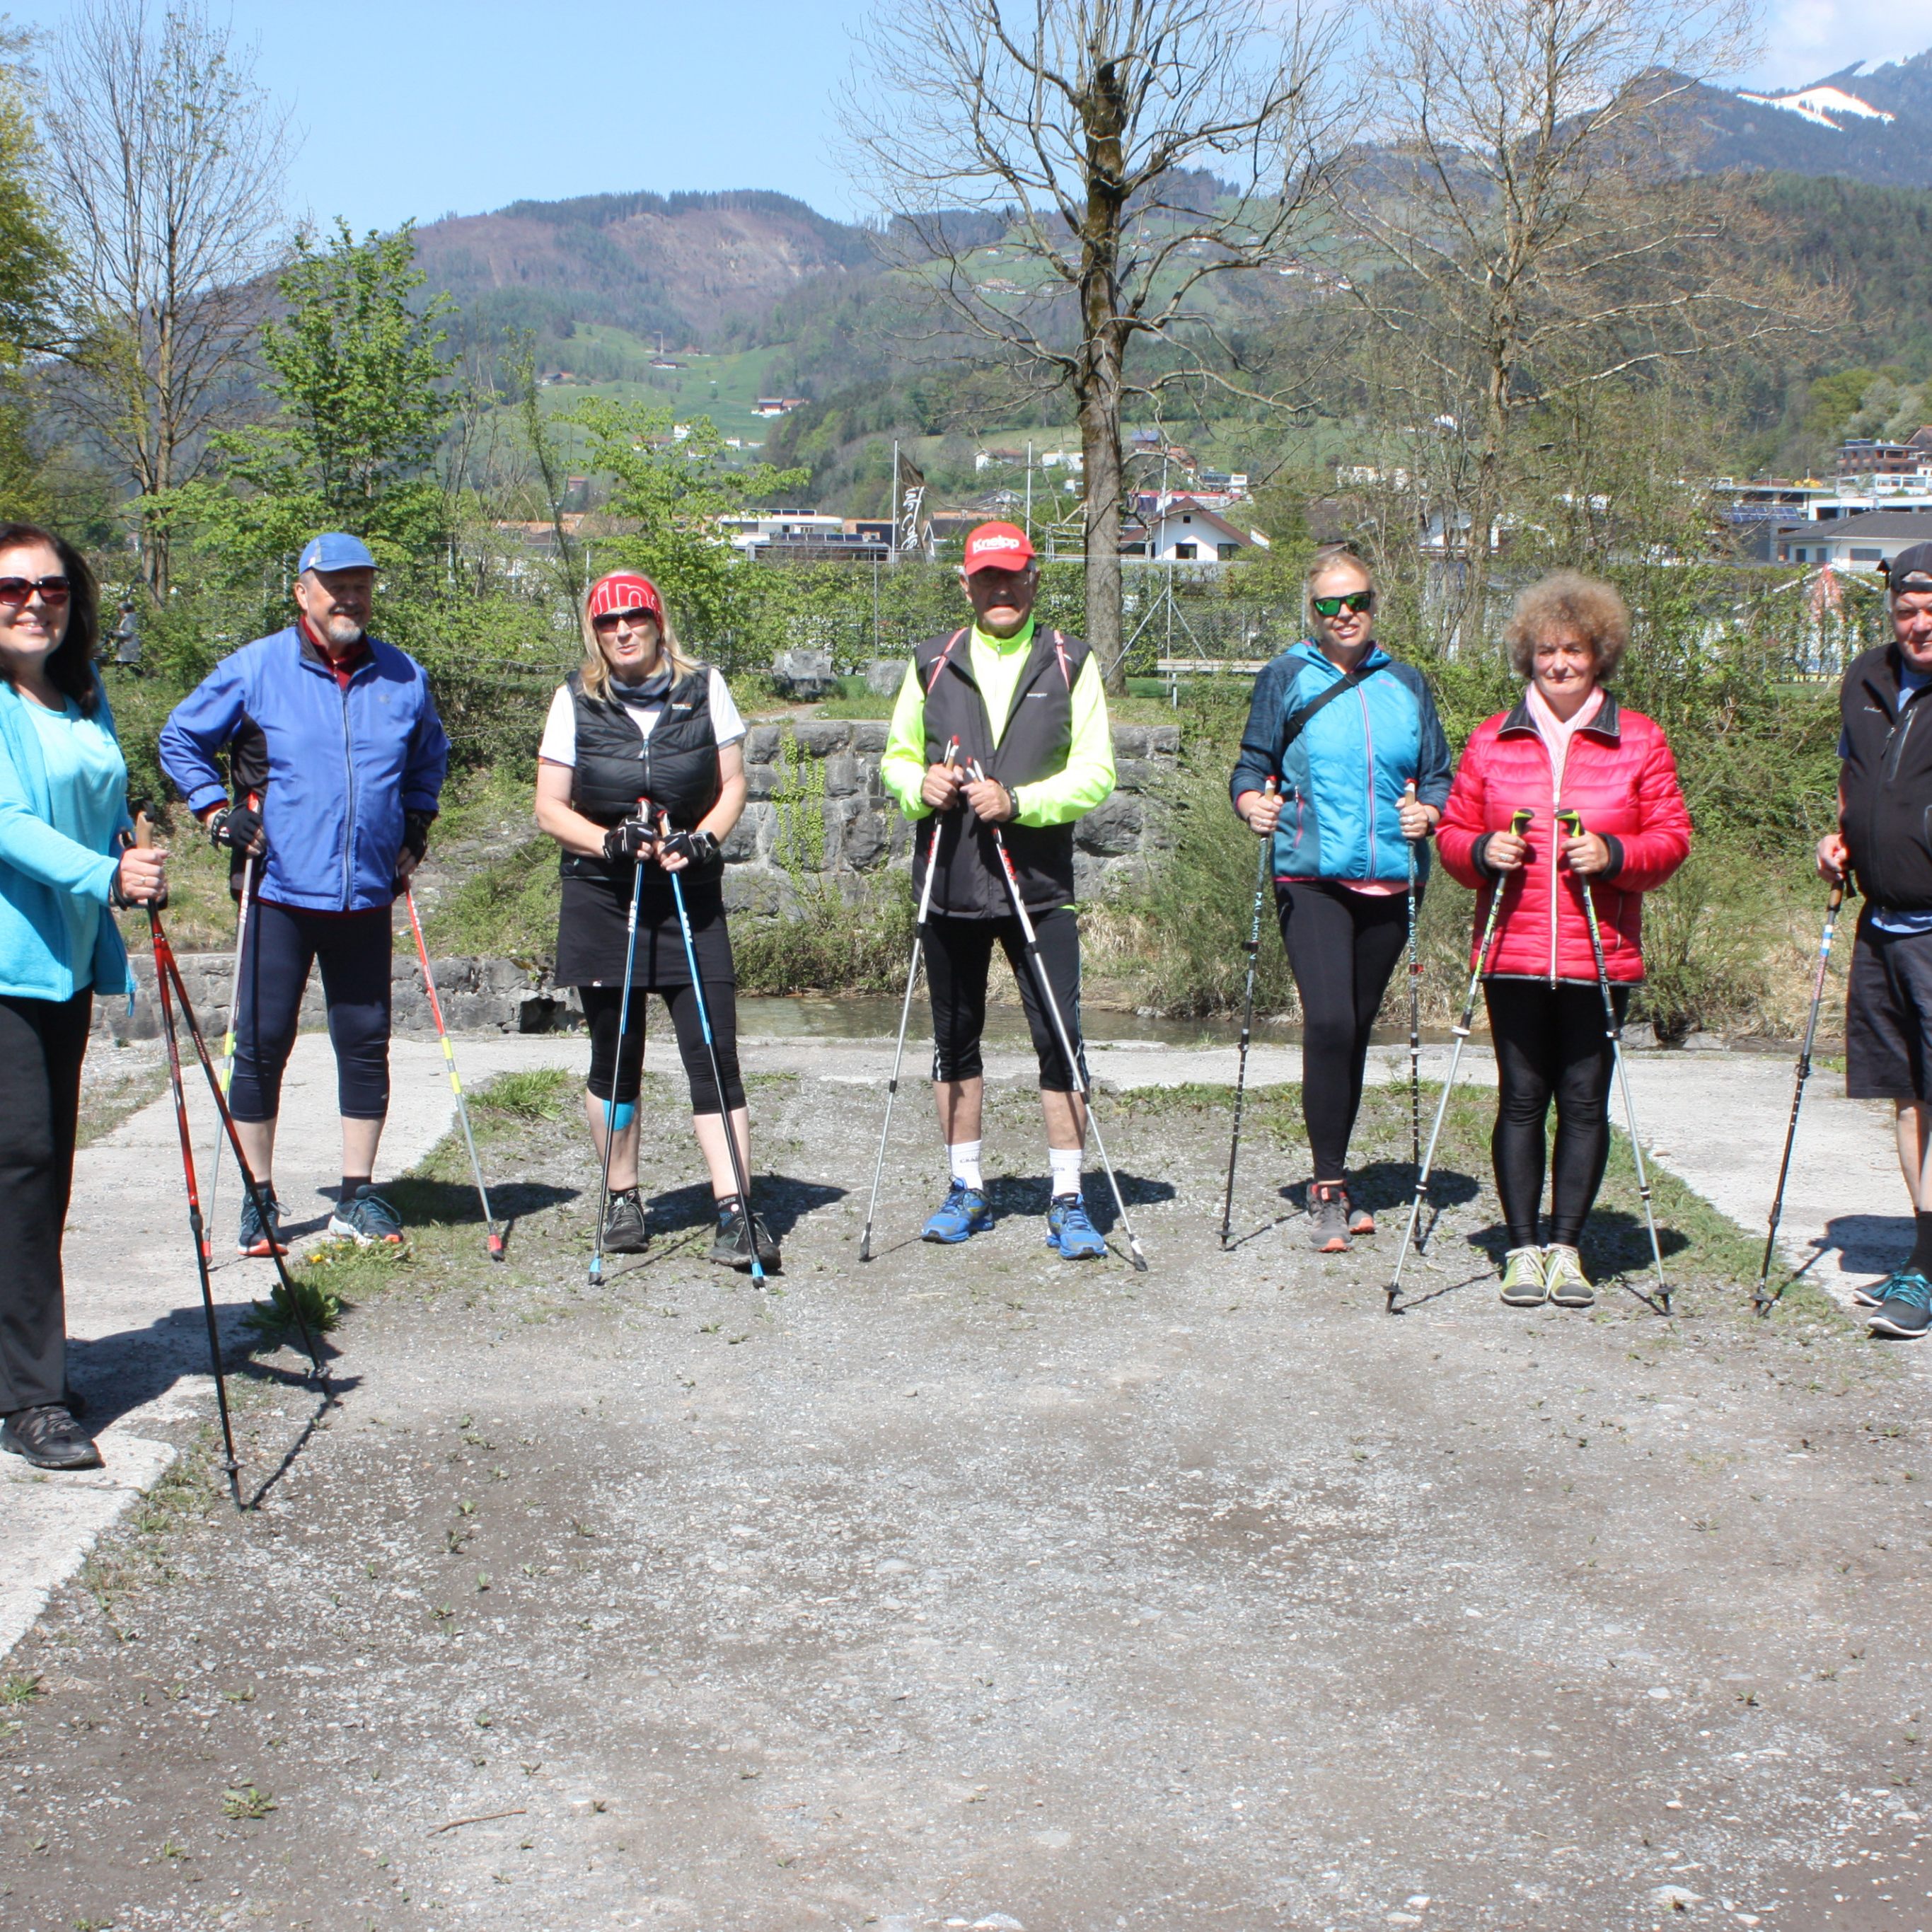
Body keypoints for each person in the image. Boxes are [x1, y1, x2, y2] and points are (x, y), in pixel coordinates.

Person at [158, 533, 449, 1255]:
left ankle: (357, 1195)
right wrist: (215, 812)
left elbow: (429, 755)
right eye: (336, 586)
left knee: (366, 1042)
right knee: (260, 1044)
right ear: (303, 592)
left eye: (361, 586)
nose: (351, 598)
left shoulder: (403, 674)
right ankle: (258, 1197)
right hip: (278, 889)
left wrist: (417, 824)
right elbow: (180, 738)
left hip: (366, 893)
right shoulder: (256, 668)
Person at [1436, 571, 1690, 1309]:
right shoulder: (1491, 737)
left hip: (1598, 953)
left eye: (1573, 650)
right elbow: (1452, 834)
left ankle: (1567, 1249)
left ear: (1599, 654)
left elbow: (1671, 840)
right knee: (1520, 1099)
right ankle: (1521, 1249)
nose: (1558, 664)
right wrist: (1481, 849)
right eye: (1545, 650)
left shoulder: (1639, 738)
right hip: (1511, 950)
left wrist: (1612, 854)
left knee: (1583, 1102)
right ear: (1528, 655)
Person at [879, 520, 1117, 1259]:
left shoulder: (1071, 660)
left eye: (1012, 574)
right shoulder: (931, 661)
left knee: (1059, 1039)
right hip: (949, 883)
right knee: (953, 1040)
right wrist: (919, 785)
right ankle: (966, 1188)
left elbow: (1096, 773)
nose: (1000, 588)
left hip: (1037, 885)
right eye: (987, 577)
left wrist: (1021, 802)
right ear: (966, 584)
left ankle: (1068, 1197)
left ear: (1034, 578)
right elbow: (894, 760)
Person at [533, 569, 777, 1271]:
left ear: (657, 620)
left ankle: (734, 1210)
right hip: (603, 896)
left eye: (634, 617)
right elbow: (549, 807)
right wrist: (605, 839)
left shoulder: (705, 687)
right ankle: (621, 1198)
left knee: (713, 1051)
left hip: (686, 895)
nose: (622, 631)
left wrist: (705, 837)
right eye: (607, 622)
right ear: (594, 632)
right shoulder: (574, 699)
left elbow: (733, 783)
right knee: (616, 1055)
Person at [1229, 544, 1452, 1251]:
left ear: (1373, 604)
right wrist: (1250, 804)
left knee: (1353, 1027)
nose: (1344, 613)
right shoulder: (1285, 676)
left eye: (1357, 600)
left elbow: (1439, 774)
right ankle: (1326, 1186)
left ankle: (1338, 1171)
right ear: (1312, 609)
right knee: (1327, 1021)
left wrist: (1431, 812)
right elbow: (1251, 765)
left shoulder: (1406, 682)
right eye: (1330, 603)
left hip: (1391, 877)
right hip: (1311, 875)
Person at [0, 521, 166, 1470]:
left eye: (52, 587)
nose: (35, 602)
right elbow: (8, 821)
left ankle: (22, 1366)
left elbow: (96, 811)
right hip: (5, 965)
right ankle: (31, 1394)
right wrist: (105, 876)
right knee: (22, 1168)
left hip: (59, 963)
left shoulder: (80, 693)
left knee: (44, 1170)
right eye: (13, 588)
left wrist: (126, 860)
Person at [1817, 539, 1932, 1339]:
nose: (1919, 624)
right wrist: (1839, 840)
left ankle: (1925, 1267)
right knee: (1907, 1092)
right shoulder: (1866, 676)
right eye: (1906, 610)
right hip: (1880, 918)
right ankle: (1924, 1256)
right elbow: (1852, 779)